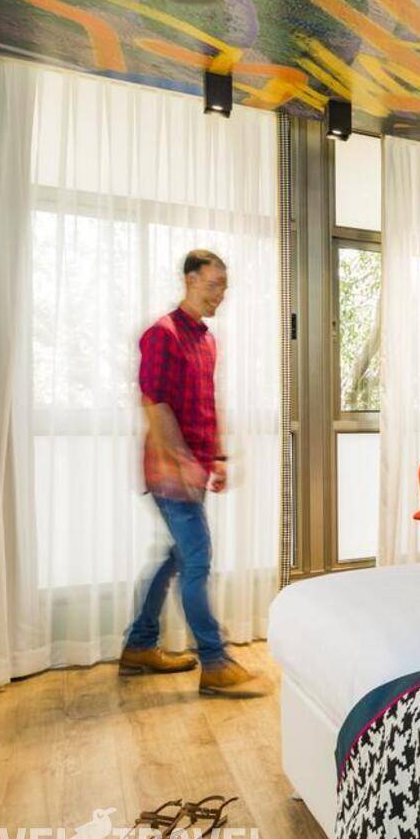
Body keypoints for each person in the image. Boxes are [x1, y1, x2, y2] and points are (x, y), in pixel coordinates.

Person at [119, 249, 265, 697]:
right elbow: (155, 403)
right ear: (190, 279)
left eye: (224, 286)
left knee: (178, 558)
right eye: (213, 284)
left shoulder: (206, 340)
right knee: (197, 558)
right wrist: (181, 460)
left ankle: (139, 646)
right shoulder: (161, 335)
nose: (220, 294)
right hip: (170, 470)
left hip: (195, 467)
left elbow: (205, 402)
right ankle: (215, 662)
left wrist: (216, 457)